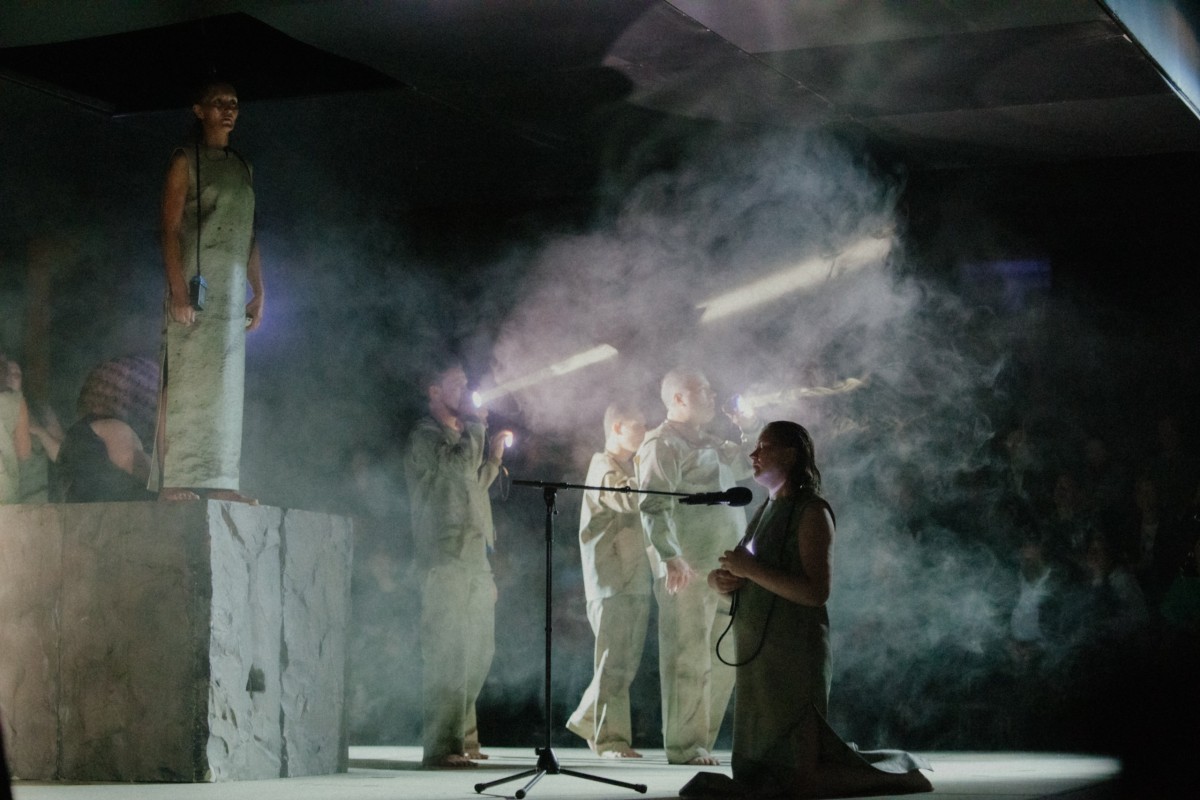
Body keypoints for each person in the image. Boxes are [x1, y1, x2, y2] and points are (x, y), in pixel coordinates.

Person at [690, 421, 932, 798]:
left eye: (764, 447)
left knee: (799, 776)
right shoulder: (766, 510)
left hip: (794, 655)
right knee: (764, 771)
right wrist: (720, 581)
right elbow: (752, 576)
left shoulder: (812, 511)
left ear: (790, 455)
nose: (753, 455)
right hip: (759, 660)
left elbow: (816, 592)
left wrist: (750, 570)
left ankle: (903, 778)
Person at [152, 78, 264, 503]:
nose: (228, 109)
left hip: (231, 294)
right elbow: (168, 229)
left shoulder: (242, 165)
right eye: (218, 103)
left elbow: (249, 233)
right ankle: (173, 481)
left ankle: (221, 481)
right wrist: (178, 291)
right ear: (199, 110)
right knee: (185, 384)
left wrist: (259, 289)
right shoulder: (186, 160)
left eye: (233, 102)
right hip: (195, 288)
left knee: (225, 389)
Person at [636, 367, 755, 765]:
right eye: (701, 389)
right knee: (687, 659)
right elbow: (653, 503)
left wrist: (747, 428)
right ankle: (685, 746)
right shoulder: (662, 443)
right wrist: (670, 555)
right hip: (689, 566)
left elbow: (752, 465)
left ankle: (701, 741)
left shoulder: (713, 443)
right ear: (678, 399)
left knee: (724, 661)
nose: (712, 394)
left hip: (728, 566)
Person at [404, 359, 511, 768]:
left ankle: (464, 738)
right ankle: (442, 746)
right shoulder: (424, 436)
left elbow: (473, 486)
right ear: (434, 391)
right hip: (443, 556)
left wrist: (494, 458)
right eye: (456, 384)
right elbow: (455, 470)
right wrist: (477, 428)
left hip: (473, 558)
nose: (466, 391)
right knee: (448, 651)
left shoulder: (463, 438)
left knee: (479, 651)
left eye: (467, 383)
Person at [566, 401, 653, 758]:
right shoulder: (603, 466)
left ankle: (597, 727)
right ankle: (606, 736)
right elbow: (627, 500)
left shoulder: (628, 466)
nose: (645, 432)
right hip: (611, 579)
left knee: (624, 663)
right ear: (617, 427)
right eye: (639, 425)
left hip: (633, 578)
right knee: (613, 661)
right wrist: (654, 465)